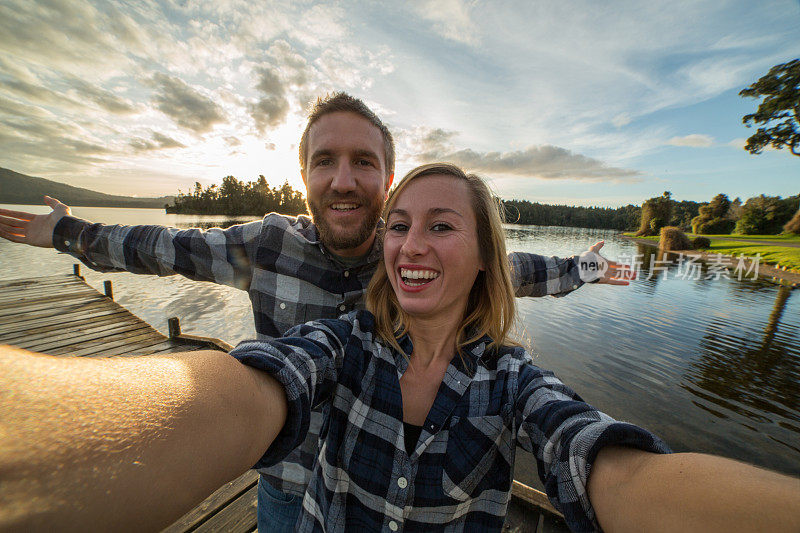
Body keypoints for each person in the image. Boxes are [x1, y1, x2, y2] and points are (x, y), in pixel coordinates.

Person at [2, 164, 798, 533]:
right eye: (401, 224)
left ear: (485, 253)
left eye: (441, 224)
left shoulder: (513, 376)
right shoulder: (340, 336)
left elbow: (604, 464)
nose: (411, 242)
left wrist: (586, 268)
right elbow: (247, 386)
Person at [0, 93, 635, 531]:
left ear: (387, 178)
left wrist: (583, 269)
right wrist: (67, 233)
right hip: (287, 480)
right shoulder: (268, 245)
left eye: (364, 161)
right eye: (324, 160)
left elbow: (508, 265)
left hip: (392, 490)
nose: (343, 179)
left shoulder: (416, 256)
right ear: (303, 173)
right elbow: (166, 248)